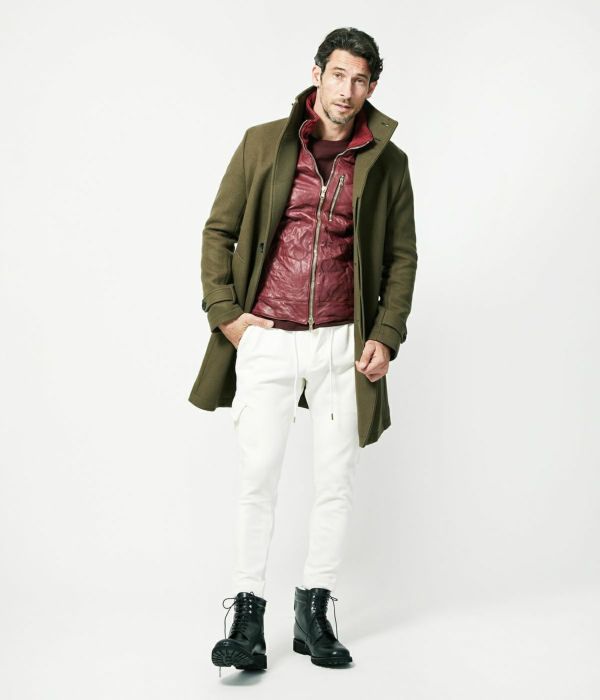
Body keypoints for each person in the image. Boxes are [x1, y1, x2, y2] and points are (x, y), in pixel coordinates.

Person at [189, 27, 418, 674]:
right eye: (338, 75)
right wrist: (227, 316)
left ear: (372, 86)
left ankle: (313, 611)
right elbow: (219, 231)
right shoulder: (263, 143)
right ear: (317, 73)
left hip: (343, 342)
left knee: (335, 481)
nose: (348, 91)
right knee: (257, 476)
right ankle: (246, 616)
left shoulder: (388, 161)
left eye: (360, 80)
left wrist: (385, 334)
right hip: (268, 337)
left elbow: (402, 256)